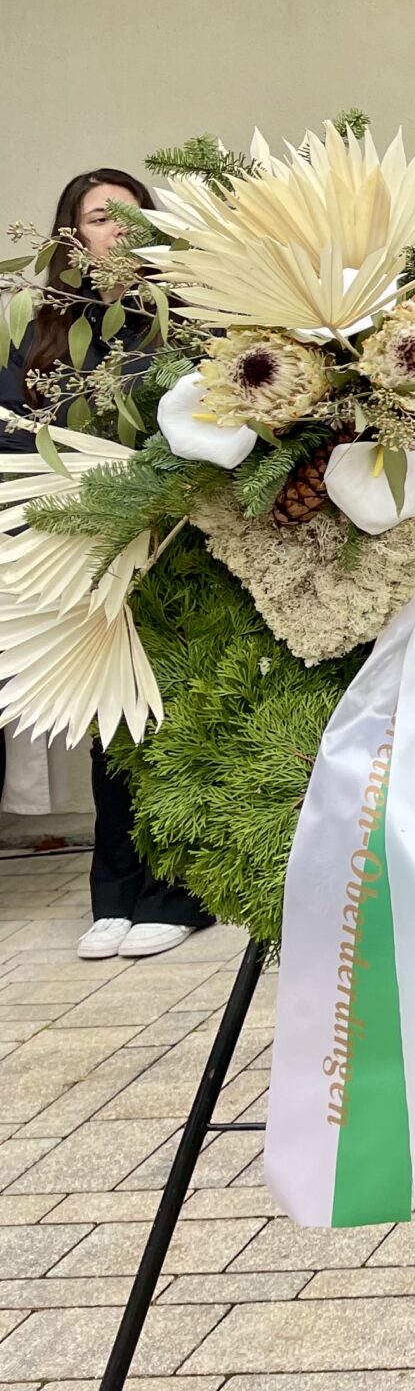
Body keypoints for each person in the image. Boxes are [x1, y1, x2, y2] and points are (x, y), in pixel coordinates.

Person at [1, 169, 211, 961]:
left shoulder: (186, 313)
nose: (115, 228)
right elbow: (14, 424)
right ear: (72, 233)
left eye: (129, 215)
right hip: (83, 540)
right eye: (97, 217)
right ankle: (114, 892)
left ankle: (181, 892)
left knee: (172, 707)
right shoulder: (43, 325)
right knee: (108, 716)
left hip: (173, 538)